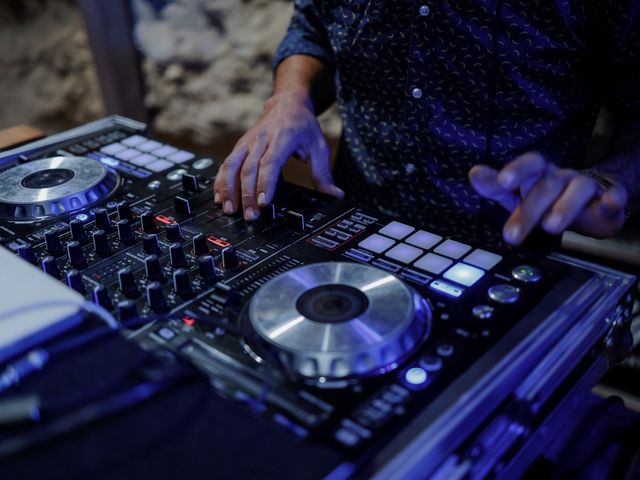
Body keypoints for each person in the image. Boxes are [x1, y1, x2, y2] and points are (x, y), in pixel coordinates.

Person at [214, 1, 639, 245]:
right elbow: (314, 25)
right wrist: (290, 99)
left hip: (498, 255)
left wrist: (606, 182)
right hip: (353, 226)